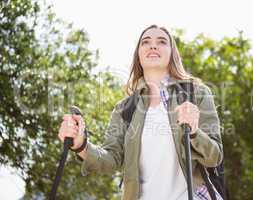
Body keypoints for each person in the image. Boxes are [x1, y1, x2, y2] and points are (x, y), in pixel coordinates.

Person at [58, 24, 223, 200]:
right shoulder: (125, 109)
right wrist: (81, 145)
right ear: (139, 54)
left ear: (172, 54)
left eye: (161, 42)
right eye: (146, 42)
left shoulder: (195, 93)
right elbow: (111, 158)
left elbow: (214, 157)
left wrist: (194, 132)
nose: (153, 45)